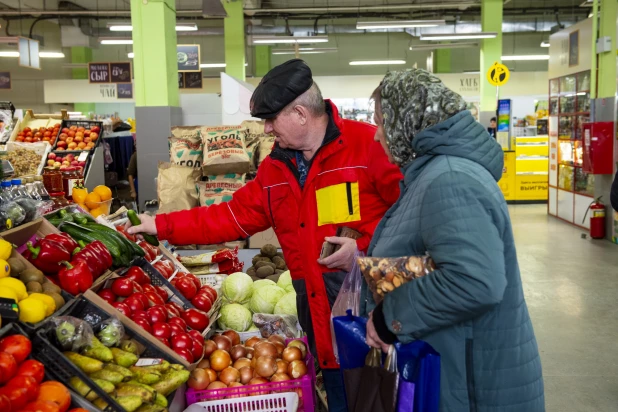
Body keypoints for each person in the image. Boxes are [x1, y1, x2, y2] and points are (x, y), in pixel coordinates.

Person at [127, 59, 403, 412]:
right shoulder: (276, 168)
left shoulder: (367, 146)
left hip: (368, 306)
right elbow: (230, 216)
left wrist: (364, 250)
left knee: (378, 397)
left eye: (272, 120)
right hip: (315, 311)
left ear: (301, 114)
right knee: (338, 394)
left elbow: (411, 218)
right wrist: (161, 226)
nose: (268, 130)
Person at [363, 70, 545, 411]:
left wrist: (390, 319)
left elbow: (473, 280)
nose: (376, 136)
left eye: (381, 122)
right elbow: (434, 257)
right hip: (457, 368)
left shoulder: (450, 178)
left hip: (473, 386)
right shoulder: (435, 172)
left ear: (408, 122)